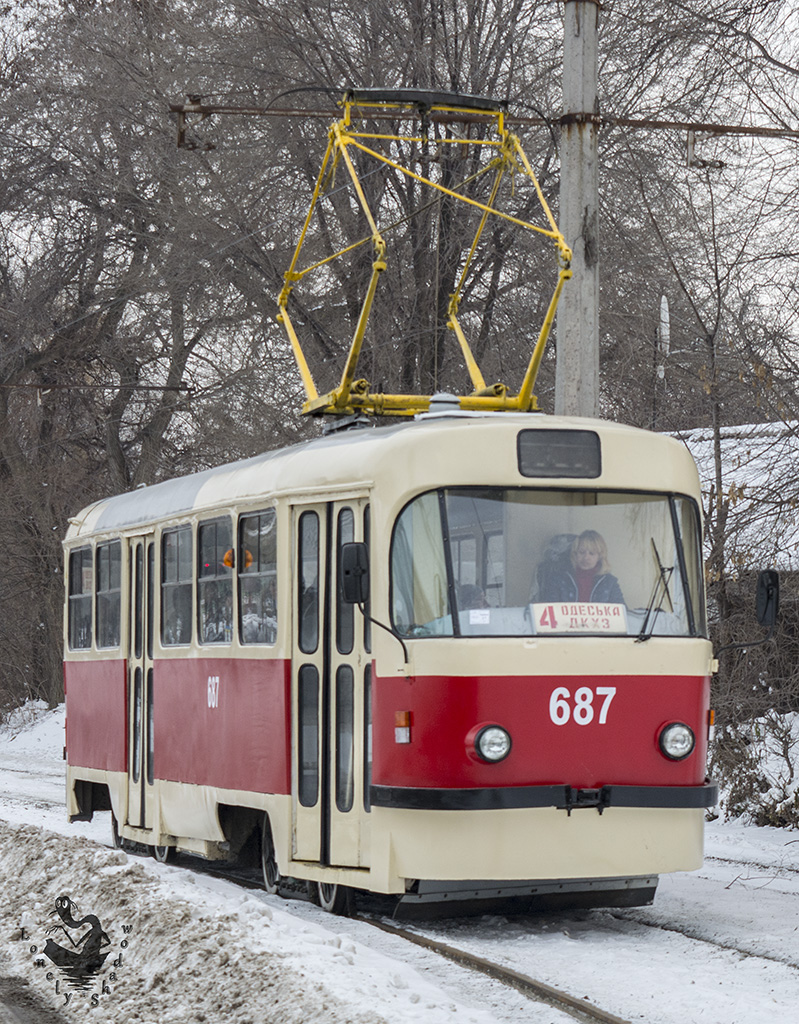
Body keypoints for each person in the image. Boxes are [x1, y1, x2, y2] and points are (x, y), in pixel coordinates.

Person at [540, 530, 624, 604]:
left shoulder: (609, 583)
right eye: (581, 552)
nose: (586, 557)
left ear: (600, 556)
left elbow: (621, 612)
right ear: (575, 553)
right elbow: (548, 609)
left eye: (591, 553)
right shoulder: (559, 579)